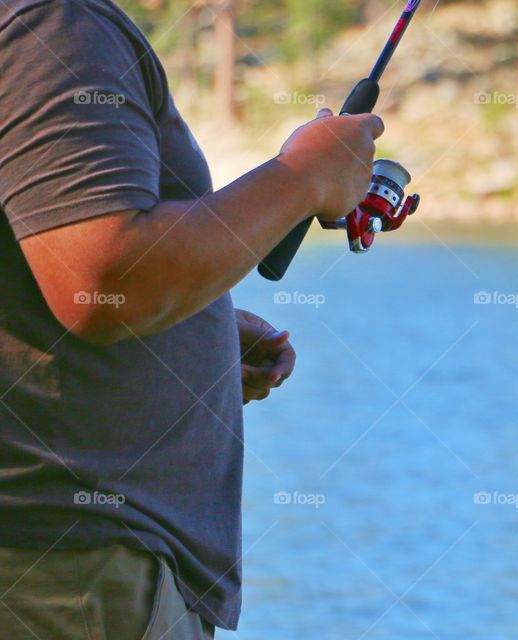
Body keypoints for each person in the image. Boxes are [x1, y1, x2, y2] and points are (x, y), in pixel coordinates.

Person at [0, 0, 384, 637]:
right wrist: (305, 176)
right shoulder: (52, 23)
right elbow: (111, 278)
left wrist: (188, 326)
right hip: (69, 568)